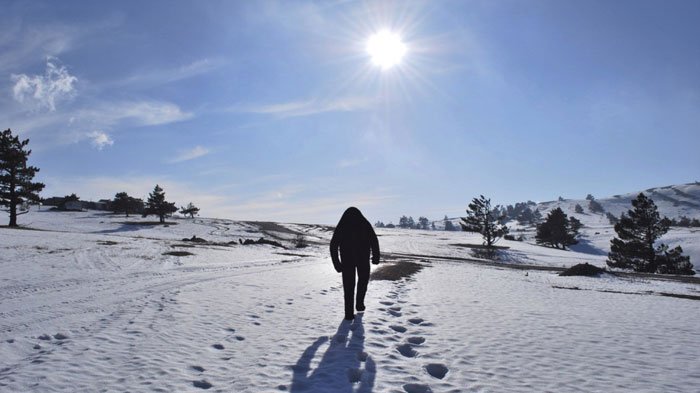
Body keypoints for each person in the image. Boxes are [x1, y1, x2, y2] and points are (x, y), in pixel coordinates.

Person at [330, 207, 380, 321]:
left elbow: (333, 245)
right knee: (363, 281)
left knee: (348, 286)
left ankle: (349, 313)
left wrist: (337, 264)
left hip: (347, 260)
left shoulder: (342, 224)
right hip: (363, 259)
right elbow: (374, 240)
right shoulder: (364, 223)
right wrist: (376, 257)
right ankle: (359, 304)